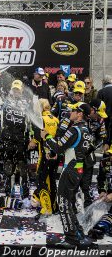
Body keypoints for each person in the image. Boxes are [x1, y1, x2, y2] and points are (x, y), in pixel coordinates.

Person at [41, 103, 94, 246]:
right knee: (69, 203)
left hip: (70, 169)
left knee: (63, 204)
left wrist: (47, 137)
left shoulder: (74, 130)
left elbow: (58, 146)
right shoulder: (87, 130)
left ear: (80, 114)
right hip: (79, 169)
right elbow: (74, 149)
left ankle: (72, 239)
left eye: (74, 110)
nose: (70, 112)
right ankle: (78, 233)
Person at [1, 79, 31, 199]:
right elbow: (1, 121)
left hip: (21, 138)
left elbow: (30, 123)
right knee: (8, 163)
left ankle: (23, 189)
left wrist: (31, 139)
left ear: (22, 90)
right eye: (14, 89)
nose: (16, 91)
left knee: (22, 164)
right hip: (8, 137)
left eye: (18, 89)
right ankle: (8, 189)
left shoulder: (27, 103)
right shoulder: (5, 102)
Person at [33, 99, 59, 216]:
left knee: (41, 180)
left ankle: (46, 207)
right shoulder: (56, 119)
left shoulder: (40, 119)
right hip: (55, 154)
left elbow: (38, 139)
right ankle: (54, 206)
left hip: (45, 154)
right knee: (52, 180)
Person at [97, 75, 112, 153]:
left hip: (104, 116)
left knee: (105, 131)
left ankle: (104, 148)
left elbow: (98, 106)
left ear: (103, 82)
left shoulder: (101, 92)